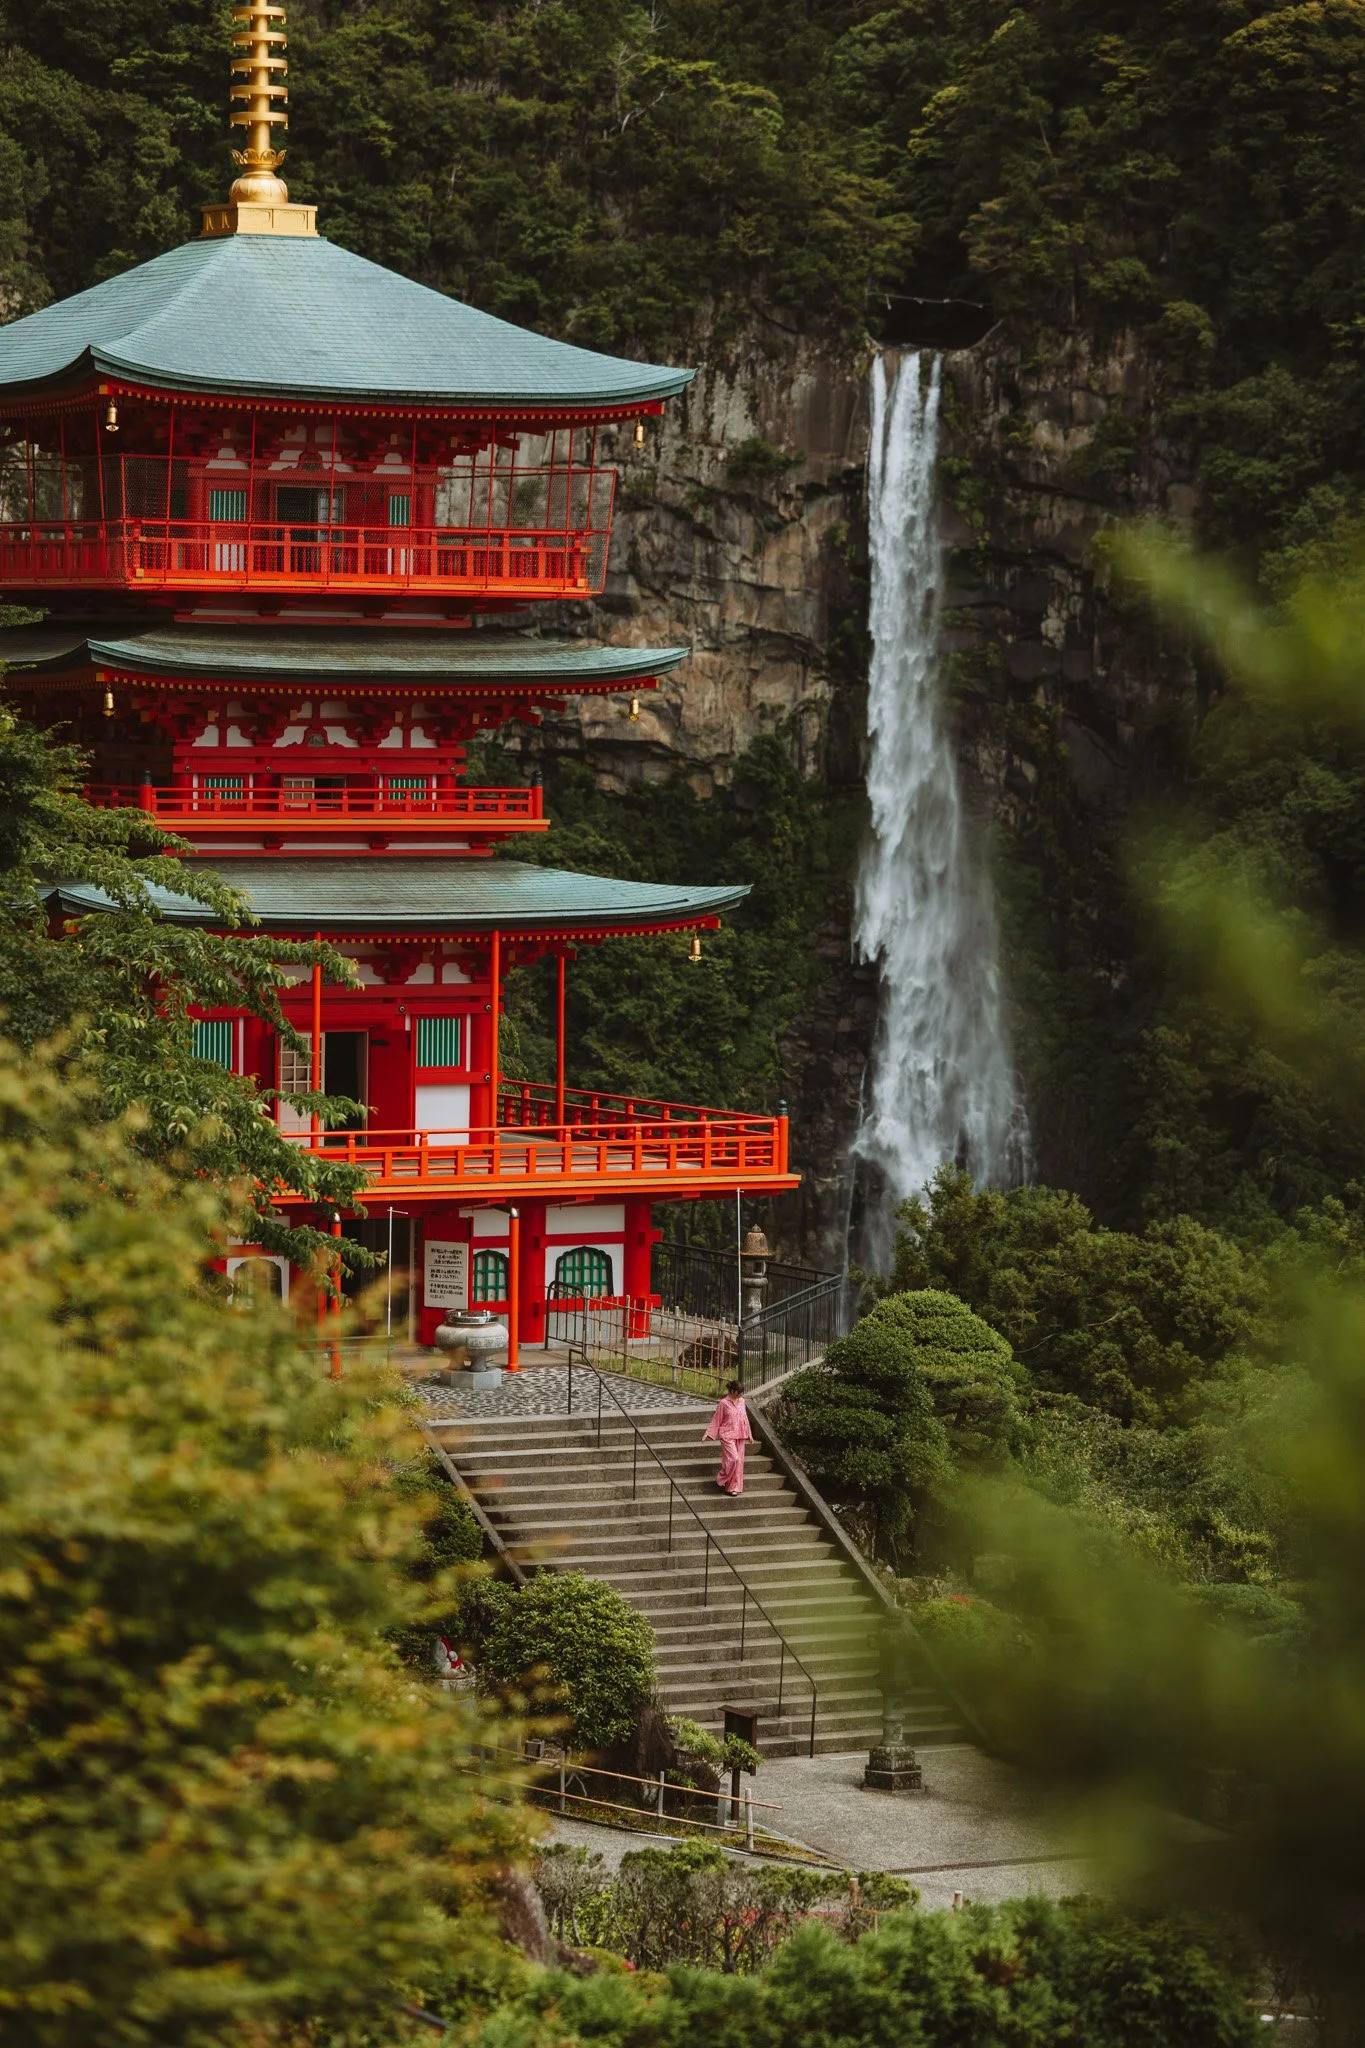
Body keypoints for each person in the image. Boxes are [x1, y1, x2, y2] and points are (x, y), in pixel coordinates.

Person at [704, 1380, 753, 1496]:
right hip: (727, 1435)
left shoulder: (742, 1401)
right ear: (732, 1391)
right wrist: (708, 1433)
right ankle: (722, 1478)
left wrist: (749, 1434)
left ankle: (733, 1487)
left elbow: (745, 1418)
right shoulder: (723, 1403)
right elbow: (717, 1418)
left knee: (739, 1462)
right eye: (738, 1392)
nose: (740, 1394)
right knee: (733, 1459)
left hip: (741, 1434)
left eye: (741, 1392)